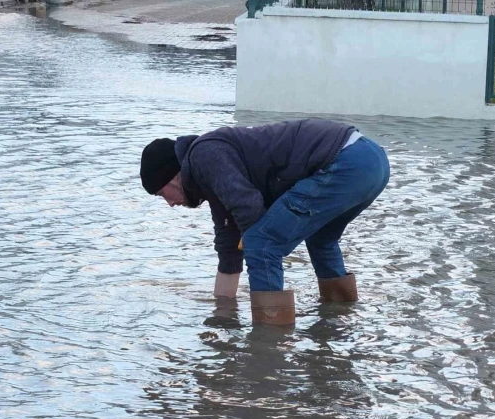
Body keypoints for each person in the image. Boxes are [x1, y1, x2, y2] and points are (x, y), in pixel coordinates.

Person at [139, 118, 390, 325]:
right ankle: (340, 316)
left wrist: (260, 249)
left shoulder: (204, 156)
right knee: (321, 239)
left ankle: (268, 345)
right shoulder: (208, 170)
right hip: (372, 160)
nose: (170, 203)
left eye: (162, 195)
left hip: (346, 162)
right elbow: (229, 242)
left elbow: (248, 209)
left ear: (172, 177)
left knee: (261, 241)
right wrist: (223, 312)